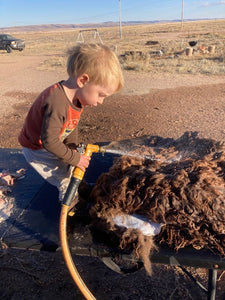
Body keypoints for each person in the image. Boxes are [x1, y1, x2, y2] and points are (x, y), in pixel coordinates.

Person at [18, 43, 124, 203]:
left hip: (51, 142)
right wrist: (75, 159)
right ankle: (73, 209)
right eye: (100, 95)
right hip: (37, 148)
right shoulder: (57, 103)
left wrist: (74, 147)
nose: (101, 102)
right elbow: (49, 142)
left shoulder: (77, 97)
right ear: (83, 80)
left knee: (72, 164)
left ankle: (80, 188)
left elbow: (71, 125)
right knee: (64, 179)